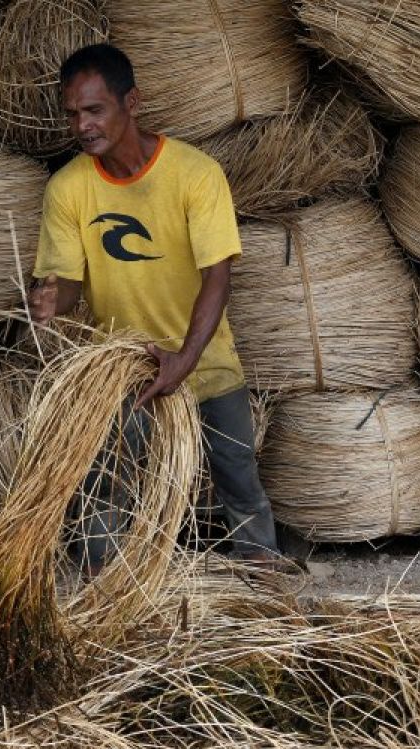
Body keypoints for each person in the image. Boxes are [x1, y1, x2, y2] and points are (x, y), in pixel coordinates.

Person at [29, 43, 286, 574]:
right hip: (121, 368)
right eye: (73, 113)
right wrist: (55, 300)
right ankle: (108, 590)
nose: (82, 125)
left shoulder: (195, 174)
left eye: (94, 110)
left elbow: (218, 275)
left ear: (132, 103)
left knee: (237, 473)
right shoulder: (68, 188)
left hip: (203, 360)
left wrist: (184, 359)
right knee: (108, 482)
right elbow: (70, 283)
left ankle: (263, 584)